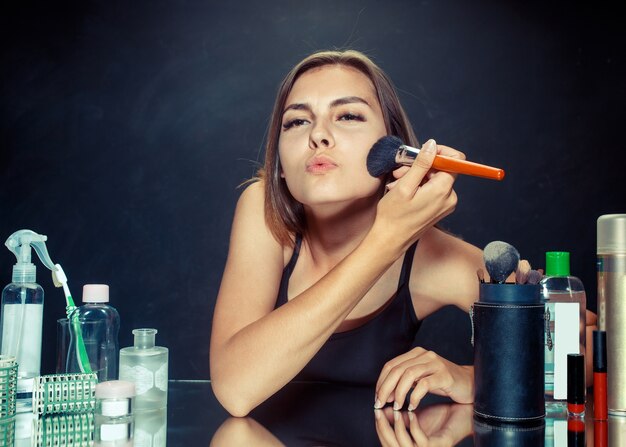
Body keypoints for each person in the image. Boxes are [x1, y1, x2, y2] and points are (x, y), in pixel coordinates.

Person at [209, 49, 596, 417]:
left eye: (348, 116)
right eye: (297, 121)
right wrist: (386, 240)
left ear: (394, 148)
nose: (318, 136)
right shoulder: (263, 209)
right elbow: (235, 389)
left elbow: (588, 345)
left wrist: (476, 379)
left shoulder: (430, 257)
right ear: (279, 164)